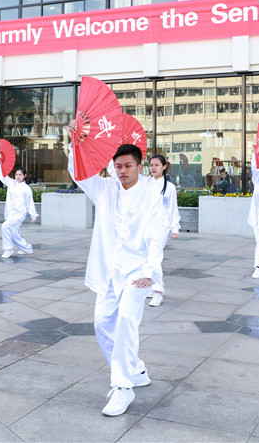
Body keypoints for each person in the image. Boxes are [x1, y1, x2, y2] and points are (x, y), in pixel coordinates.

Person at [67, 122, 167, 417]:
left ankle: (123, 387)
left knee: (125, 321)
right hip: (109, 271)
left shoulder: (151, 194)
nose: (122, 171)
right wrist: (75, 142)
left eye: (128, 166)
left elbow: (157, 233)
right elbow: (79, 174)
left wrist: (151, 270)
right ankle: (135, 369)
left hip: (137, 273)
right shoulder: (105, 189)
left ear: (139, 167)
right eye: (118, 166)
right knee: (101, 324)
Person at [109, 155, 180, 307]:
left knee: (155, 255)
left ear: (164, 167)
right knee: (147, 256)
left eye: (157, 165)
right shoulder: (145, 182)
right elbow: (120, 175)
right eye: (151, 165)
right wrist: (112, 158)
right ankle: (151, 286)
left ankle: (158, 291)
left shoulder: (170, 187)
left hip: (161, 226)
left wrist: (175, 228)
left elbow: (173, 209)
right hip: (144, 225)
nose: (153, 168)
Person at [0, 155, 38, 259]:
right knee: (14, 234)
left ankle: (8, 249)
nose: (17, 176)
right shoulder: (11, 183)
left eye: (20, 175)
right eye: (16, 174)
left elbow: (30, 202)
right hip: (10, 213)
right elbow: (1, 176)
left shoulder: (26, 188)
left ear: (24, 176)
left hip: (19, 214)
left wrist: (33, 215)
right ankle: (27, 248)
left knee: (5, 227)